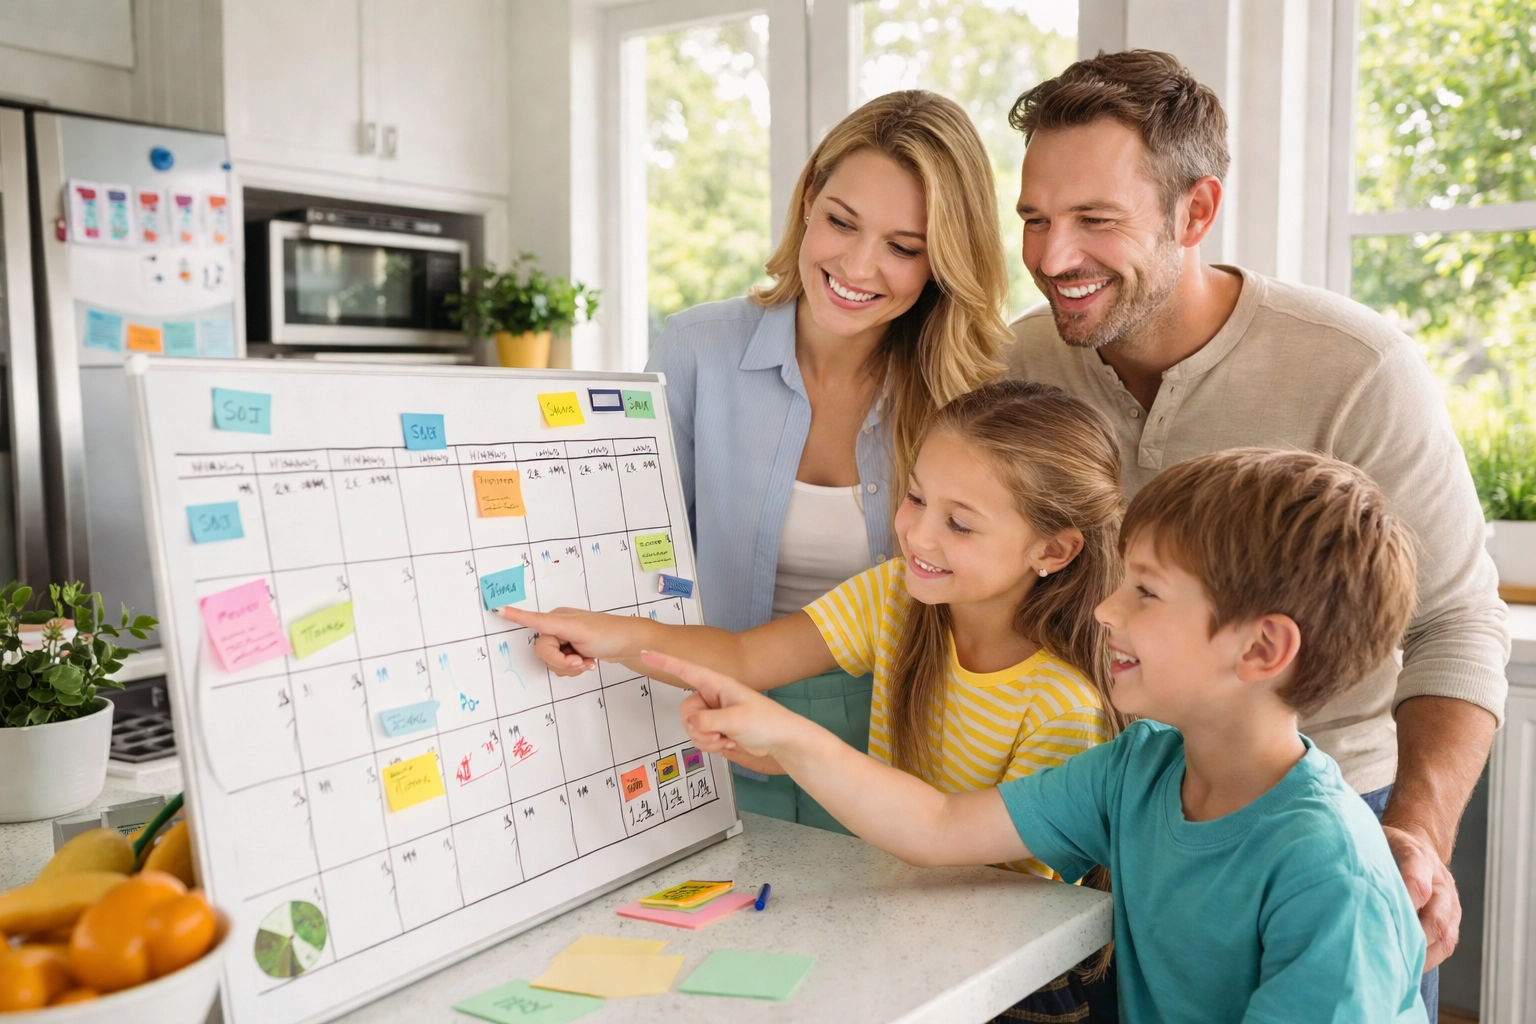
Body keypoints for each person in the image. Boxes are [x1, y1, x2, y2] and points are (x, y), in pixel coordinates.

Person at [1002, 49, 1508, 1018]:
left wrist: (1415, 838)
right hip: (1127, 818)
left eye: (1096, 220)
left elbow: (1456, 621)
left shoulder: (1356, 366)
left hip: (1330, 820)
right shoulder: (1019, 362)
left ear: (1195, 211)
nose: (1053, 257)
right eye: (1034, 218)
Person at [671, 448, 1429, 1023]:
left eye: (1146, 592)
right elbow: (939, 825)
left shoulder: (1330, 879)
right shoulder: (1139, 769)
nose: (1105, 610)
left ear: (1262, 649)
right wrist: (789, 737)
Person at [506, 380, 1124, 1019]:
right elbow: (743, 659)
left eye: (960, 523)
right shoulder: (896, 597)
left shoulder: (1064, 707)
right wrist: (614, 637)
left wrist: (795, 747)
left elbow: (956, 852)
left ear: (1052, 550)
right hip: (897, 940)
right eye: (916, 497)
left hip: (1004, 984)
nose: (918, 535)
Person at [646, 89, 1011, 833]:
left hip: (893, 750)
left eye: (903, 247)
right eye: (842, 222)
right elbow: (638, 555)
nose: (857, 265)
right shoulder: (695, 349)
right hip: (706, 719)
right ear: (809, 198)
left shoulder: (969, 396)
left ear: (943, 262)